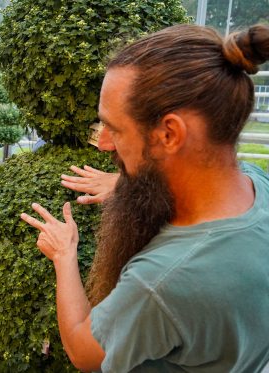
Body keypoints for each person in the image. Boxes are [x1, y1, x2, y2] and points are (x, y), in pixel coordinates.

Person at [21, 24, 269, 372]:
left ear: (169, 134)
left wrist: (64, 255)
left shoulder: (161, 282)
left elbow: (82, 350)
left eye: (115, 129)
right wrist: (129, 180)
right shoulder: (258, 185)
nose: (104, 143)